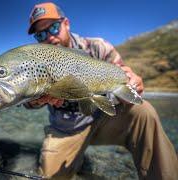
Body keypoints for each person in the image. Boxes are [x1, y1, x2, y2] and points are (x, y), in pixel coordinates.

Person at [25, 2, 178, 180]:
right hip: (67, 130)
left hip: (103, 118)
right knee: (51, 176)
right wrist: (36, 100)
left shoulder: (97, 47)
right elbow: (25, 99)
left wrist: (132, 82)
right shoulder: (36, 62)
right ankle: (77, 158)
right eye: (41, 34)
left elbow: (123, 73)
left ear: (66, 23)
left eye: (54, 27)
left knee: (143, 111)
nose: (49, 37)